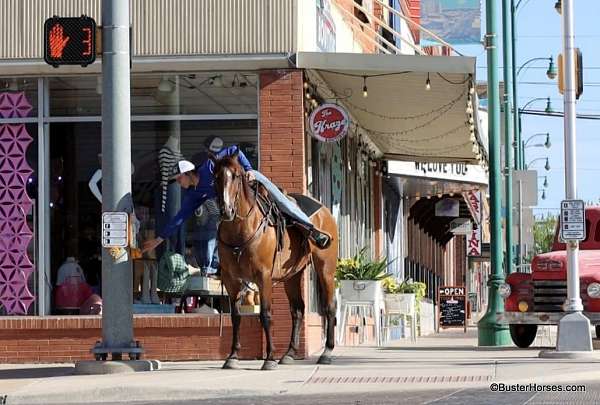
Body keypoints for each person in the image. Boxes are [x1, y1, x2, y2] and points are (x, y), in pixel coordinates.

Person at [142, 136, 331, 258]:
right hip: (233, 201)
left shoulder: (209, 166)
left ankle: (312, 229)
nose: (179, 184)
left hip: (249, 179)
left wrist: (248, 169)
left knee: (281, 201)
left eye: (178, 179)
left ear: (188, 173)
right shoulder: (194, 194)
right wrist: (159, 239)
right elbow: (180, 217)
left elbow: (235, 150)